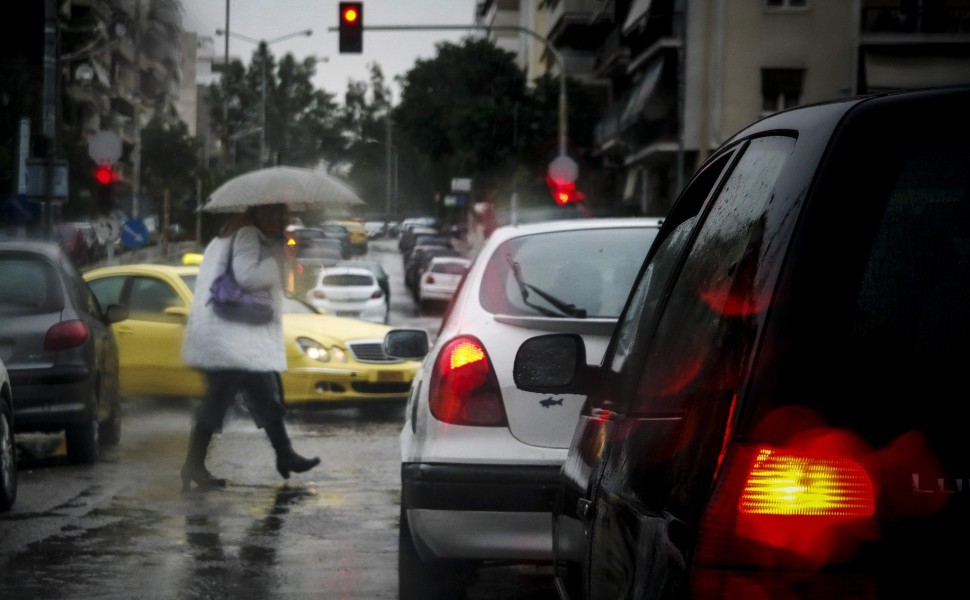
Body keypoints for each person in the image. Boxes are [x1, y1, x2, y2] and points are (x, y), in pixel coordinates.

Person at [179, 202, 320, 492]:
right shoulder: (247, 235)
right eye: (272, 214)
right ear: (257, 213)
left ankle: (285, 455)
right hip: (230, 340)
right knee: (219, 401)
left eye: (281, 215)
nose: (278, 220)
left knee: (264, 393)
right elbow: (247, 277)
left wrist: (279, 254)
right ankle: (194, 465)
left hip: (238, 337)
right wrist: (273, 263)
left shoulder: (251, 236)